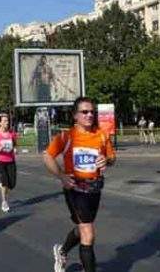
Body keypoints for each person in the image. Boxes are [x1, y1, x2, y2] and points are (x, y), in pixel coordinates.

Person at [43, 97, 116, 272]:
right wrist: (61, 176)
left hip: (94, 188)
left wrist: (106, 160)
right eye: (85, 112)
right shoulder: (66, 136)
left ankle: (62, 250)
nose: (89, 115)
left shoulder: (101, 134)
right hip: (74, 188)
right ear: (75, 115)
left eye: (92, 111)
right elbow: (47, 156)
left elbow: (112, 158)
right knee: (88, 233)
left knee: (82, 228)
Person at [0, 113, 17, 212]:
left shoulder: (11, 134)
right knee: (4, 181)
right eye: (5, 121)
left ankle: (3, 186)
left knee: (12, 184)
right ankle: (4, 201)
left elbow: (14, 145)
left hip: (11, 161)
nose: (7, 123)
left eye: (7, 121)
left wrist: (14, 149)